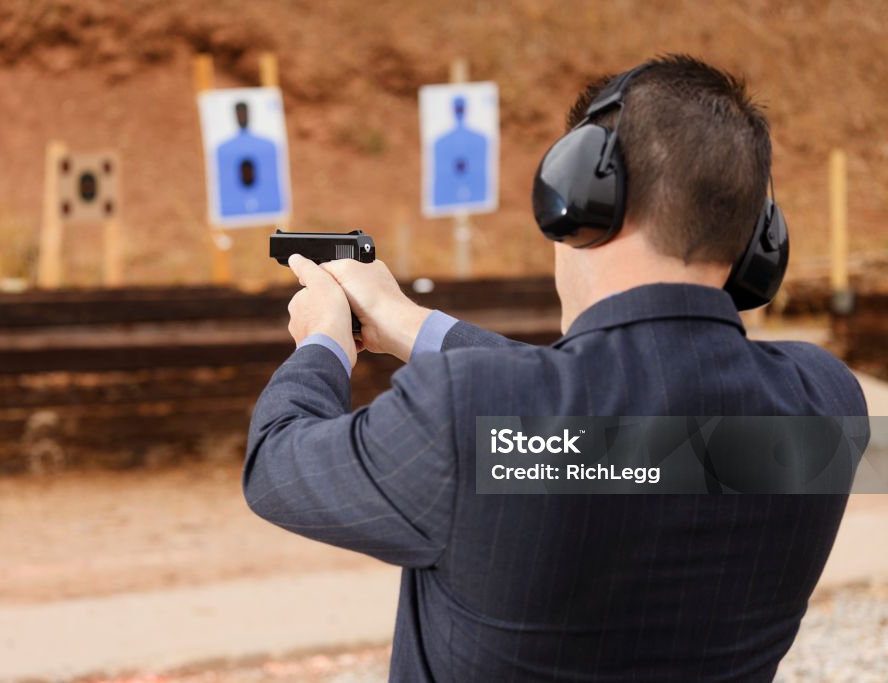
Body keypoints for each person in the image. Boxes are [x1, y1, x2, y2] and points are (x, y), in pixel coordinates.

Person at [243, 55, 868, 681]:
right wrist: (404, 321)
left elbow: (276, 461)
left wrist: (322, 338)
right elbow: (611, 431)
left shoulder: (463, 415)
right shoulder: (824, 404)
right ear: (761, 236)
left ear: (582, 196)